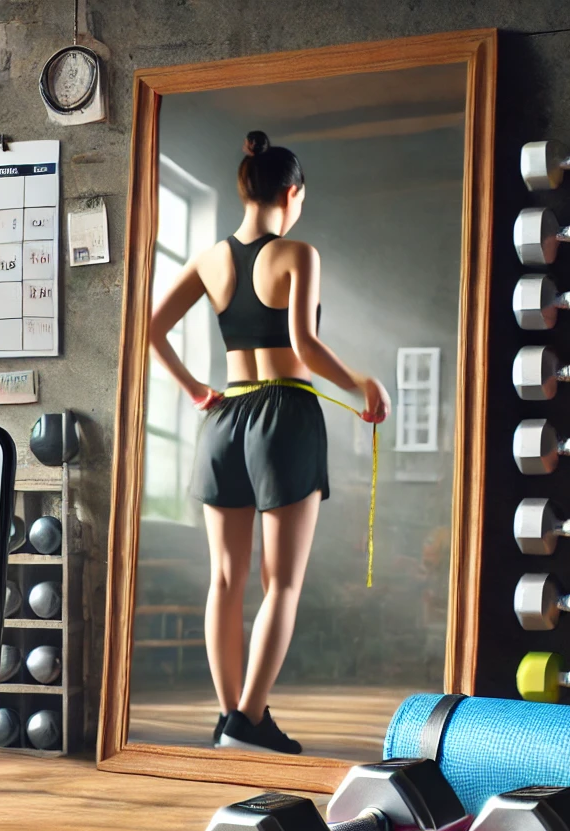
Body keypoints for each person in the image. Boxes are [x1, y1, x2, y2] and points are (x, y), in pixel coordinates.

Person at [146, 131, 389, 755]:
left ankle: (230, 718)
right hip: (284, 415)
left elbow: (150, 328)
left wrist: (196, 389)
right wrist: (362, 383)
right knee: (281, 583)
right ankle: (249, 719)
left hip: (224, 420)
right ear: (292, 193)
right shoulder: (298, 254)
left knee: (226, 579)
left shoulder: (209, 259)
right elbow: (305, 348)